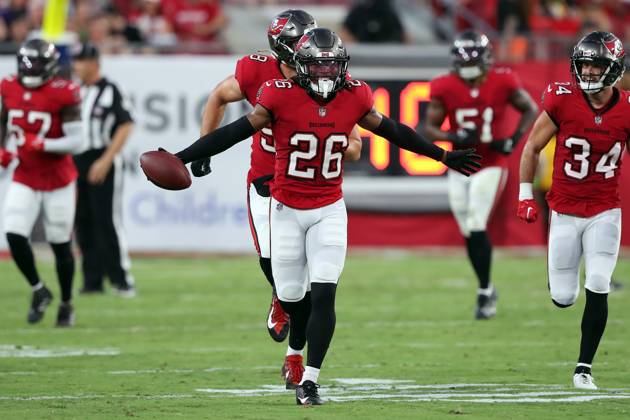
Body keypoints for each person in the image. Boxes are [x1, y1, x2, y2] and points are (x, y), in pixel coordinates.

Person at [152, 28, 481, 405]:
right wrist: (183, 155)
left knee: (324, 293)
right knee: (293, 295)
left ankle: (310, 380)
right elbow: (233, 133)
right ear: (300, 65)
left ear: (341, 67)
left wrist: (441, 156)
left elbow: (393, 131)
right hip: (286, 209)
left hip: (328, 209)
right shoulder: (278, 94)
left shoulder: (355, 95)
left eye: (331, 66)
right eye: (317, 66)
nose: (325, 74)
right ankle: (294, 346)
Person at [197, 9, 363, 389]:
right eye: (299, 45)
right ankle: (279, 297)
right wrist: (204, 145)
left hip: (309, 189)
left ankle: (295, 355)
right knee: (276, 271)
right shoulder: (259, 73)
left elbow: (354, 142)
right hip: (266, 183)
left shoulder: (328, 78)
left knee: (312, 284)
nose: (308, 52)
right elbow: (219, 97)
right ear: (284, 49)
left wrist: (332, 145)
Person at [518, 31, 628, 390]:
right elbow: (532, 147)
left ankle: (584, 368)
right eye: (585, 64)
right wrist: (524, 195)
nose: (590, 72)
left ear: (614, 68)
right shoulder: (562, 99)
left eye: (597, 65)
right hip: (564, 209)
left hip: (604, 210)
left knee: (598, 282)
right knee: (564, 297)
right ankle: (560, 277)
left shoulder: (627, 108)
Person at [423, 30, 538, 320]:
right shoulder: (444, 85)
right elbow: (429, 127)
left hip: (491, 162)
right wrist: (452, 134)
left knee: (476, 223)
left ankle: (485, 291)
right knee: (467, 229)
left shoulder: (504, 80)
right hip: (460, 163)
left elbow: (529, 109)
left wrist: (513, 139)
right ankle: (486, 286)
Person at [0, 39, 83, 326]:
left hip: (58, 178)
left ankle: (67, 303)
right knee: (13, 233)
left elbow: (77, 141)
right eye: (26, 62)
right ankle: (38, 289)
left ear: (49, 66)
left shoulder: (64, 93)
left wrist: (43, 143)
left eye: (35, 63)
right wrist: (2, 148)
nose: (30, 68)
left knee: (60, 244)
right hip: (25, 173)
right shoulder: (8, 86)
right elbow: (3, 122)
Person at [71, 42, 136, 297]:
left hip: (102, 157)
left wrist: (107, 158)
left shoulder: (111, 90)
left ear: (94, 63)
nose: (77, 66)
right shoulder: (75, 91)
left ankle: (121, 279)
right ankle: (92, 281)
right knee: (82, 221)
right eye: (76, 61)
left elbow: (126, 124)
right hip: (77, 160)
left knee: (106, 220)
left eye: (81, 61)